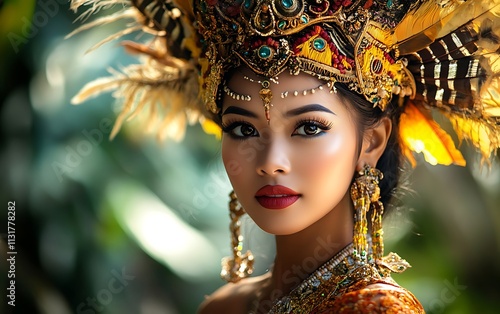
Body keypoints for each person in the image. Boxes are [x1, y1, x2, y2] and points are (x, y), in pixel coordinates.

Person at [69, 0, 500, 312]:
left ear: (371, 142)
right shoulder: (224, 307)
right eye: (243, 129)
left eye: (309, 128)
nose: (271, 160)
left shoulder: (374, 309)